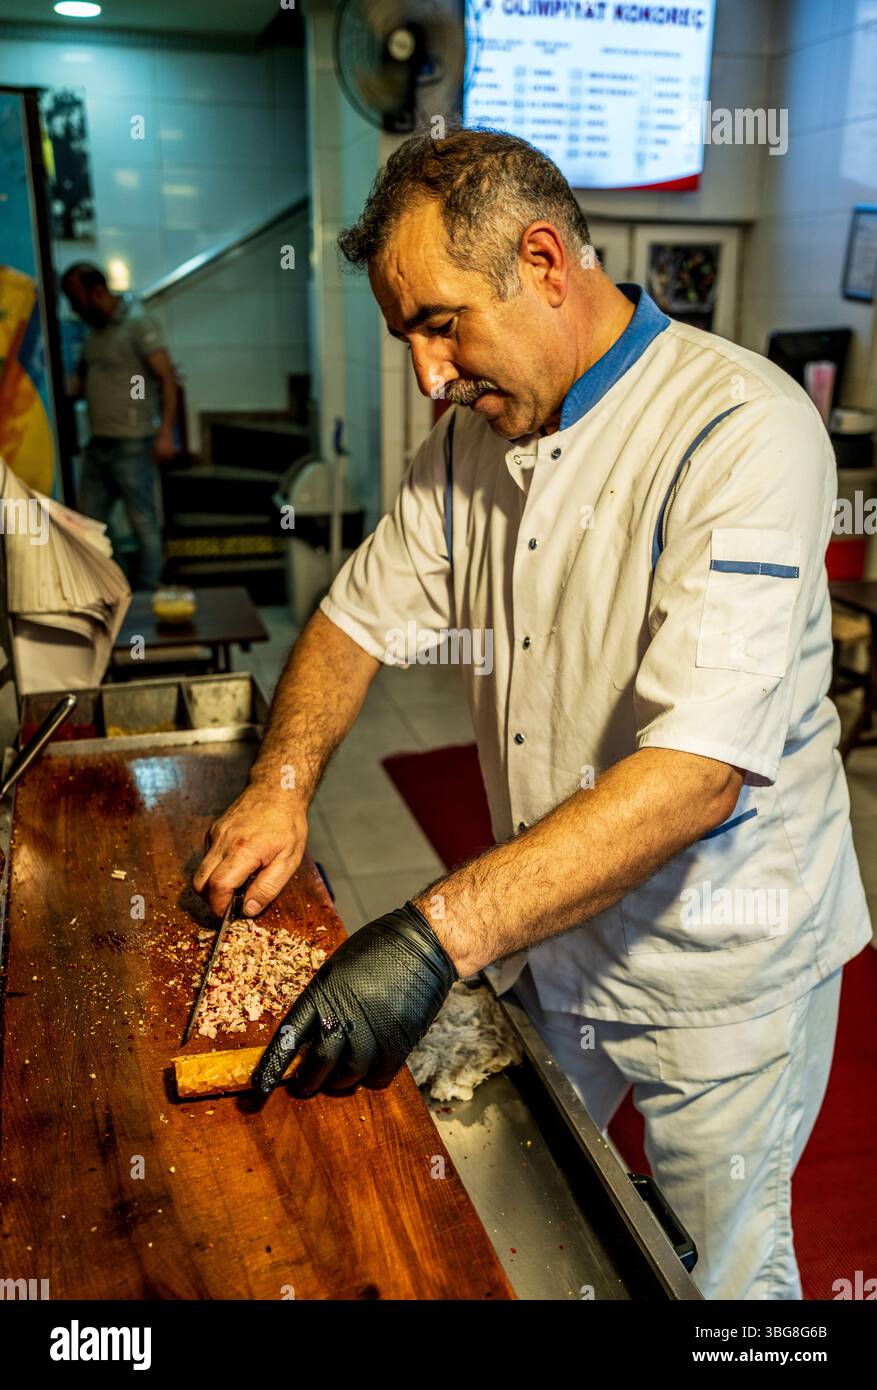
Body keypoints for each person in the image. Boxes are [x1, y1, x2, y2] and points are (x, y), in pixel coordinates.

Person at [193, 128, 871, 1299]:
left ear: (546, 261)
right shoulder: (468, 445)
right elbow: (356, 620)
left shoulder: (738, 430)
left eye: (441, 322)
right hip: (552, 933)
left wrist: (428, 933)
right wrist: (281, 783)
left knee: (725, 1272)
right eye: (407, 334)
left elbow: (697, 771)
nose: (427, 375)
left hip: (722, 965)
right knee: (537, 1209)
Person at [62, 262, 177, 590]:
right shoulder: (93, 334)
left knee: (142, 522)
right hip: (98, 443)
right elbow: (82, 381)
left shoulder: (138, 324)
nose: (73, 308)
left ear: (97, 291)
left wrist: (166, 431)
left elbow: (167, 378)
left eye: (76, 299)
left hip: (133, 442)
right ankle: (120, 584)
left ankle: (148, 591)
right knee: (91, 522)